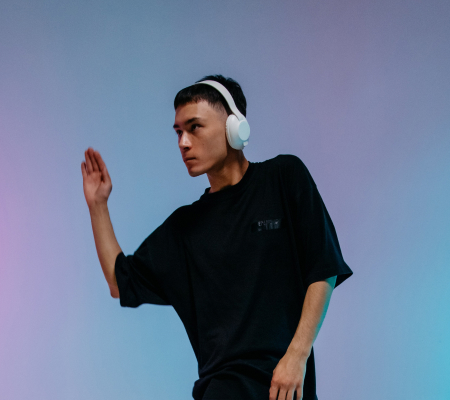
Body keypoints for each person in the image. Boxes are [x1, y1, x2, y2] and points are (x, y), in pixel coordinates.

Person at [81, 75, 353, 400]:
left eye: (194, 127)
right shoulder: (185, 227)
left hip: (288, 389)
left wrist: (297, 355)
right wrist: (98, 206)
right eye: (178, 132)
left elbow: (323, 269)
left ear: (235, 126)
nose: (183, 142)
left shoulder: (284, 178)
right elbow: (119, 281)